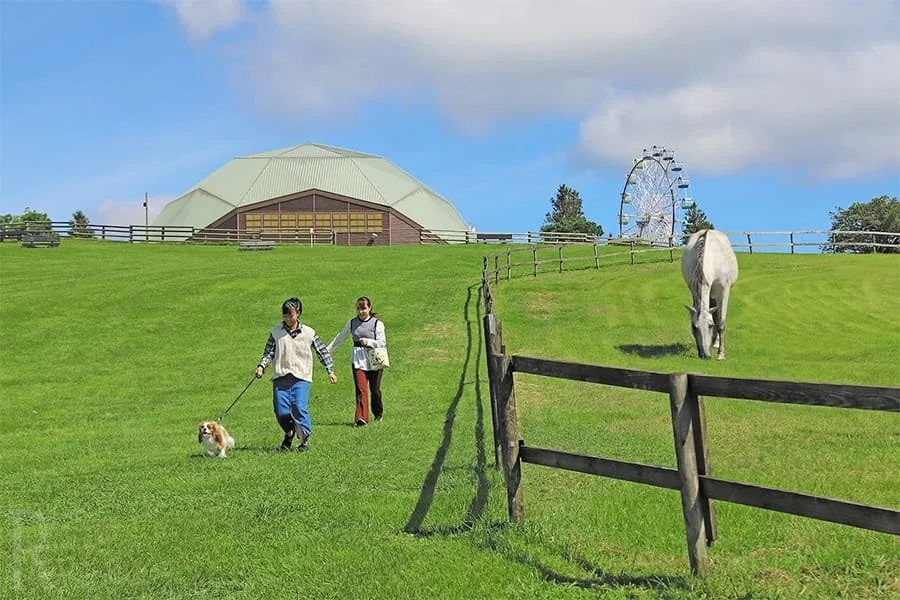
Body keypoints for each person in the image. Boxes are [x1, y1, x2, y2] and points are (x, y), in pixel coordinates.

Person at [256, 297, 337, 452]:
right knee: (281, 412)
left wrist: (330, 370)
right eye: (284, 315)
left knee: (299, 408)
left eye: (290, 315)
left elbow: (322, 351)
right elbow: (268, 353)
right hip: (281, 377)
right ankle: (289, 433)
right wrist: (261, 366)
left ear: (298, 313)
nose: (287, 318)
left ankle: (303, 440)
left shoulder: (309, 333)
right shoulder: (276, 332)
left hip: (301, 377)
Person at [327, 296, 387, 427]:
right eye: (359, 309)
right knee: (361, 388)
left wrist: (369, 342)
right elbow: (341, 337)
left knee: (375, 389)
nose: (361, 311)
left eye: (364, 308)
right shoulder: (352, 322)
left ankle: (378, 413)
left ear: (369, 308)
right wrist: (327, 350)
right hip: (358, 359)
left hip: (374, 358)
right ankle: (361, 418)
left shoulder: (377, 324)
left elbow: (382, 342)